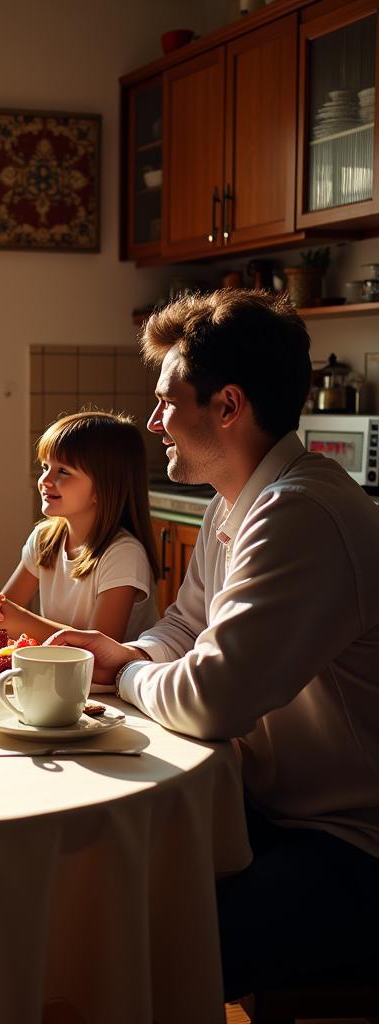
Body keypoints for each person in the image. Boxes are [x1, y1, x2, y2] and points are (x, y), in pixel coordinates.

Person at [45, 290, 379, 999]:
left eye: (167, 401)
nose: (152, 421)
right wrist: (129, 654)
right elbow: (183, 627)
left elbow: (210, 699)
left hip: (350, 845)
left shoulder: (300, 515)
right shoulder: (240, 500)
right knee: (95, 884)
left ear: (227, 406)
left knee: (135, 943)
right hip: (273, 809)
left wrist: (120, 671)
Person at [0, 410, 159, 645]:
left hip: (114, 682)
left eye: (63, 471)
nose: (45, 480)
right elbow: (3, 616)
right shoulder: (44, 539)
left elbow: (101, 651)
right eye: (44, 467)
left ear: (104, 487)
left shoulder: (124, 555)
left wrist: (19, 619)